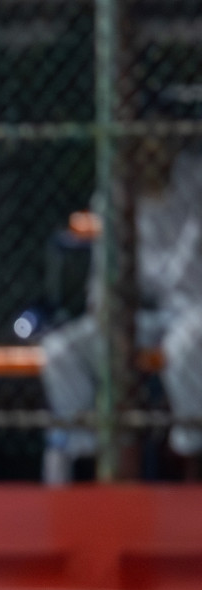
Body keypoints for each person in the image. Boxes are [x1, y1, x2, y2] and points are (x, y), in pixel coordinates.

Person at [40, 141, 202, 481]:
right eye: (142, 142)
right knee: (59, 351)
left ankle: (193, 457)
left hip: (191, 308)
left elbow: (186, 274)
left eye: (161, 139)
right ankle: (88, 458)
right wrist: (105, 308)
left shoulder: (195, 181)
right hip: (139, 317)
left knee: (184, 347)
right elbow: (102, 279)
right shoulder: (114, 195)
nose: (152, 151)